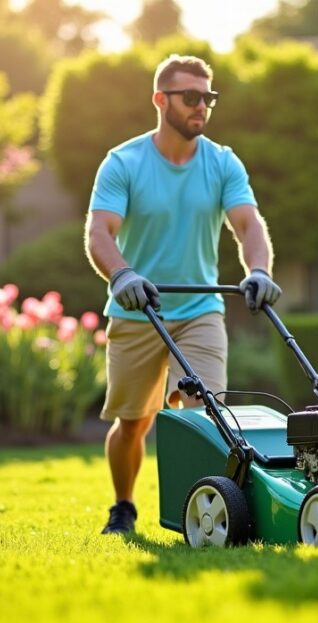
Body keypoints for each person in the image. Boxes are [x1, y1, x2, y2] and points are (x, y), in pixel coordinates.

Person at [84, 54, 281, 535]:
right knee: (133, 422)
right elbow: (98, 233)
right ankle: (124, 505)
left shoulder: (221, 162)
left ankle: (204, 514)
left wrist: (258, 270)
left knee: (206, 418)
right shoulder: (124, 162)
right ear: (160, 100)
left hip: (199, 312)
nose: (201, 107)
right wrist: (123, 276)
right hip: (137, 309)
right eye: (190, 97)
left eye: (207, 98)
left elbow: (247, 224)